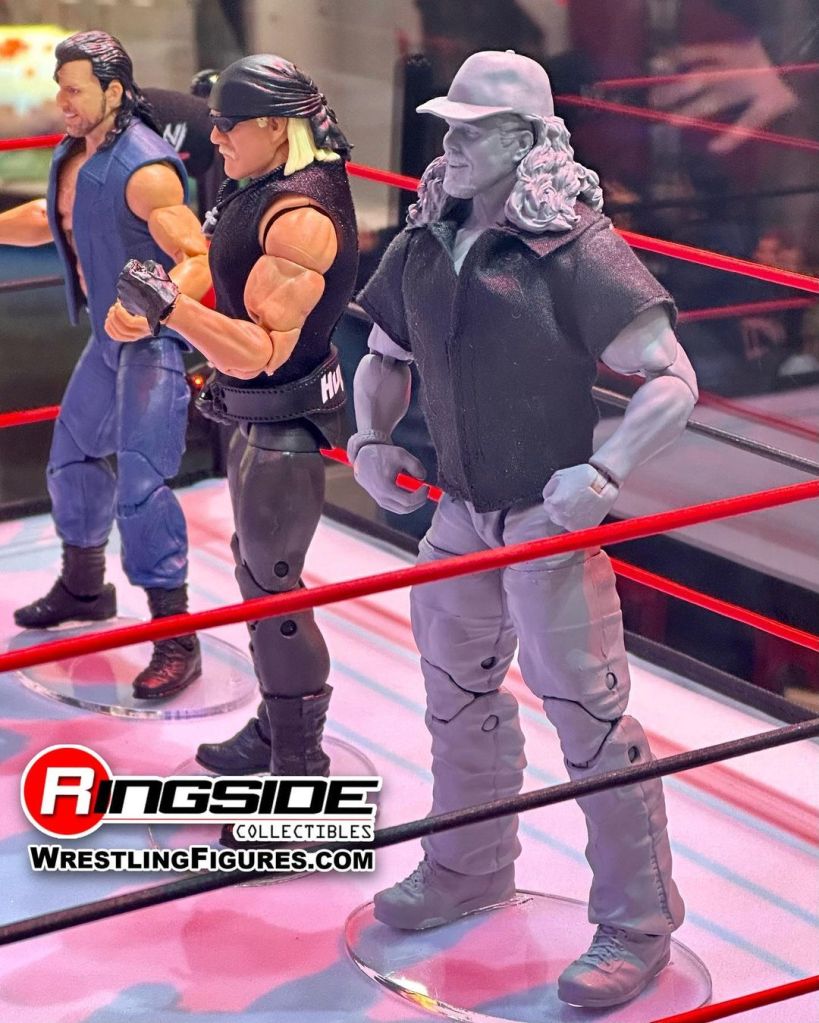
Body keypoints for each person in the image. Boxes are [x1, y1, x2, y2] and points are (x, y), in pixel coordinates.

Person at [347, 51, 697, 1009]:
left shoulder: (573, 248)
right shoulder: (428, 238)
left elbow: (671, 377)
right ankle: (466, 867)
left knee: (588, 718)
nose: (450, 143)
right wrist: (370, 435)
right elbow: (383, 354)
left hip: (545, 514)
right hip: (457, 507)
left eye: (471, 130)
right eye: (449, 127)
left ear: (523, 141)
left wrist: (606, 470)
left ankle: (637, 922)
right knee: (454, 696)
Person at [112, 55, 358, 793]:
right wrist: (169, 296)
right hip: (256, 417)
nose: (212, 137)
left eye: (227, 125)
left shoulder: (302, 217)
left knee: (277, 594)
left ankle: (302, 768)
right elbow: (218, 260)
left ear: (276, 128)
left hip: (286, 423)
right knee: (255, 577)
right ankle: (278, 728)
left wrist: (169, 309)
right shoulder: (260, 183)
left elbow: (259, 352)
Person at [0, 30, 208, 699]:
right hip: (106, 340)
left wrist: (152, 309)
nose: (61, 102)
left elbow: (197, 258)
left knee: (141, 486)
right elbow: (53, 217)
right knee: (71, 460)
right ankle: (85, 587)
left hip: (150, 345)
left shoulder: (146, 169)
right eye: (58, 89)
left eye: (74, 91)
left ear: (113, 92)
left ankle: (176, 635)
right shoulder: (76, 153)